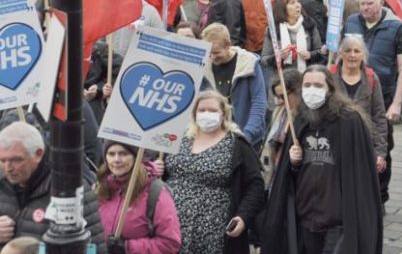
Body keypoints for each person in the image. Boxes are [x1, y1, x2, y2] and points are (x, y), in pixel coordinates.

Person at [262, 66, 383, 254]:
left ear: (330, 89)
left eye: (318, 85)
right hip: (307, 216)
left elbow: (358, 172)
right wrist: (293, 163)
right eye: (307, 85)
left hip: (338, 220)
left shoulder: (349, 121)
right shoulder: (300, 121)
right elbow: (289, 178)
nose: (312, 90)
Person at [163, 90, 265, 254]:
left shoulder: (237, 143)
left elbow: (256, 186)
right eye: (202, 110)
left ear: (223, 114)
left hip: (214, 234)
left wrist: (243, 217)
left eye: (212, 110)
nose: (206, 114)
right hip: (170, 227)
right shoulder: (178, 139)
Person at [343, 0, 402, 204]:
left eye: (370, 4)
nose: (365, 8)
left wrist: (397, 104)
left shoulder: (396, 27)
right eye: (362, 3)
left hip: (384, 95)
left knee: (382, 146)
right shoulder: (352, 22)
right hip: (351, 92)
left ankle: (379, 196)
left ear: (381, 3)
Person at [0, 122, 106, 252]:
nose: (8, 168)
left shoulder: (69, 190)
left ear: (38, 154)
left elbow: (94, 246)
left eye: (16, 160)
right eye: (2, 160)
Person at [96, 141, 180, 254]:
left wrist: (126, 247)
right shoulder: (101, 188)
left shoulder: (155, 191)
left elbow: (170, 243)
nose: (116, 160)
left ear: (135, 157)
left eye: (123, 154)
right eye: (111, 154)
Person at [330, 34, 389, 176]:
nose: (352, 55)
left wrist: (380, 152)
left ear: (363, 54)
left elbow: (379, 117)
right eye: (348, 50)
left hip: (362, 144)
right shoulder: (329, 76)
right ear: (340, 53)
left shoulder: (371, 78)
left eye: (357, 51)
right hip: (333, 145)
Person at [202, 23, 267, 149]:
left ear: (228, 45)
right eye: (208, 53)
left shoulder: (249, 65)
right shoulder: (204, 67)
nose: (212, 57)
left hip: (248, 138)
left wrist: (247, 134)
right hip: (215, 139)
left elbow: (259, 103)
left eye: (216, 52)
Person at [261, 0, 325, 75]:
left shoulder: (309, 24)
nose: (297, 5)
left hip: (307, 75)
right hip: (283, 79)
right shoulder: (273, 29)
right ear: (282, 8)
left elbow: (320, 52)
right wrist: (278, 57)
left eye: (298, 2)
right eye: (292, 3)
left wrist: (310, 55)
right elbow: (264, 60)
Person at [260, 69, 302, 190]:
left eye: (284, 96)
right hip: (275, 175)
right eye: (278, 97)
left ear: (297, 90)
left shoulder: (306, 116)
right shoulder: (279, 112)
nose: (281, 101)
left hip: (294, 180)